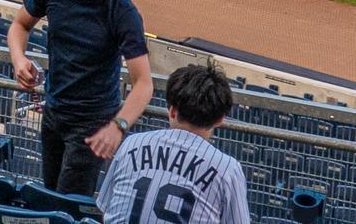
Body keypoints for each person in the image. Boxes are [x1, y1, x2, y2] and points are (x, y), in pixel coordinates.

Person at [9, 0, 152, 198]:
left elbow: (144, 83)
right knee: (51, 195)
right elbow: (20, 25)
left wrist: (117, 126)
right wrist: (19, 59)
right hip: (53, 110)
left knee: (66, 205)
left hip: (92, 125)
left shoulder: (122, 12)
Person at [95, 64, 254, 224]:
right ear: (220, 119)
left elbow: (105, 208)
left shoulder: (132, 143)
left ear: (172, 111)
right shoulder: (227, 170)